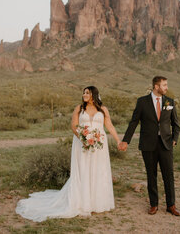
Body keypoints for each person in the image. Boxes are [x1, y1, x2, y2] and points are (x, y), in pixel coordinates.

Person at [16, 86, 121, 222]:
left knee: (98, 170)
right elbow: (73, 125)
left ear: (94, 94)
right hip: (81, 143)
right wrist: (83, 138)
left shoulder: (103, 110)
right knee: (83, 170)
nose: (84, 94)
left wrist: (118, 140)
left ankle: (97, 202)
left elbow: (109, 125)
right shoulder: (79, 108)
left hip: (99, 144)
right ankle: (83, 202)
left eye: (87, 93)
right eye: (83, 92)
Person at [119, 76, 180, 216]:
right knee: (151, 175)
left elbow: (175, 123)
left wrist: (174, 139)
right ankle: (154, 205)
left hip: (166, 144)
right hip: (148, 144)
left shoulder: (169, 101)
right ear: (156, 86)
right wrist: (126, 140)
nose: (166, 87)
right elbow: (133, 122)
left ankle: (171, 205)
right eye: (164, 85)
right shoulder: (142, 102)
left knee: (168, 175)